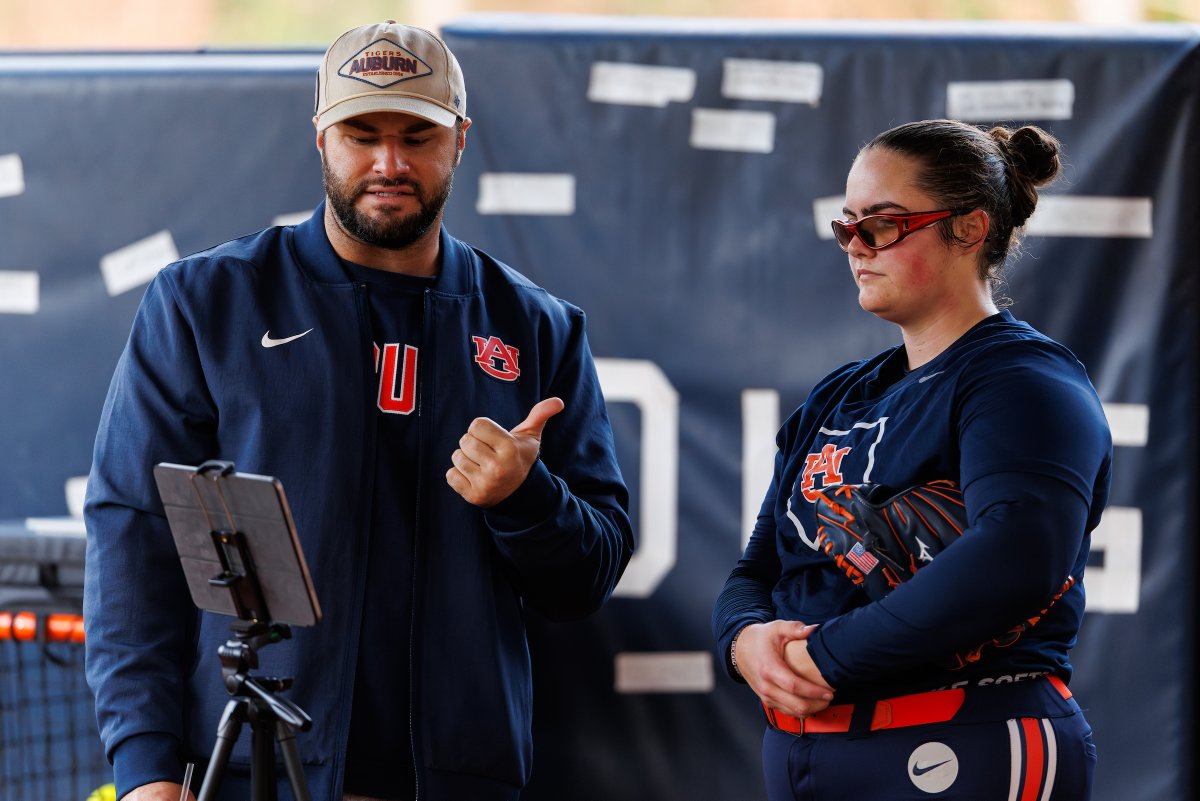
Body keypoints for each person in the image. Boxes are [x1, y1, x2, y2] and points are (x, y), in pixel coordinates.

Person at [84, 20, 634, 801]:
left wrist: (527, 498)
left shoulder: (538, 326)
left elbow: (589, 576)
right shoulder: (207, 301)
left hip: (459, 779)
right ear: (320, 137)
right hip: (251, 770)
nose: (389, 162)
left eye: (417, 133)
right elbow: (133, 536)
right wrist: (145, 770)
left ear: (460, 139)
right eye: (360, 133)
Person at [712, 119, 1111, 799]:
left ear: (969, 229)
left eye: (884, 225)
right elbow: (760, 563)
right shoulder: (838, 394)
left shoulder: (1021, 377)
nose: (857, 246)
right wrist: (743, 638)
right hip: (811, 753)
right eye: (847, 227)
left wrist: (823, 656)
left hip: (964, 741)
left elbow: (1016, 555)